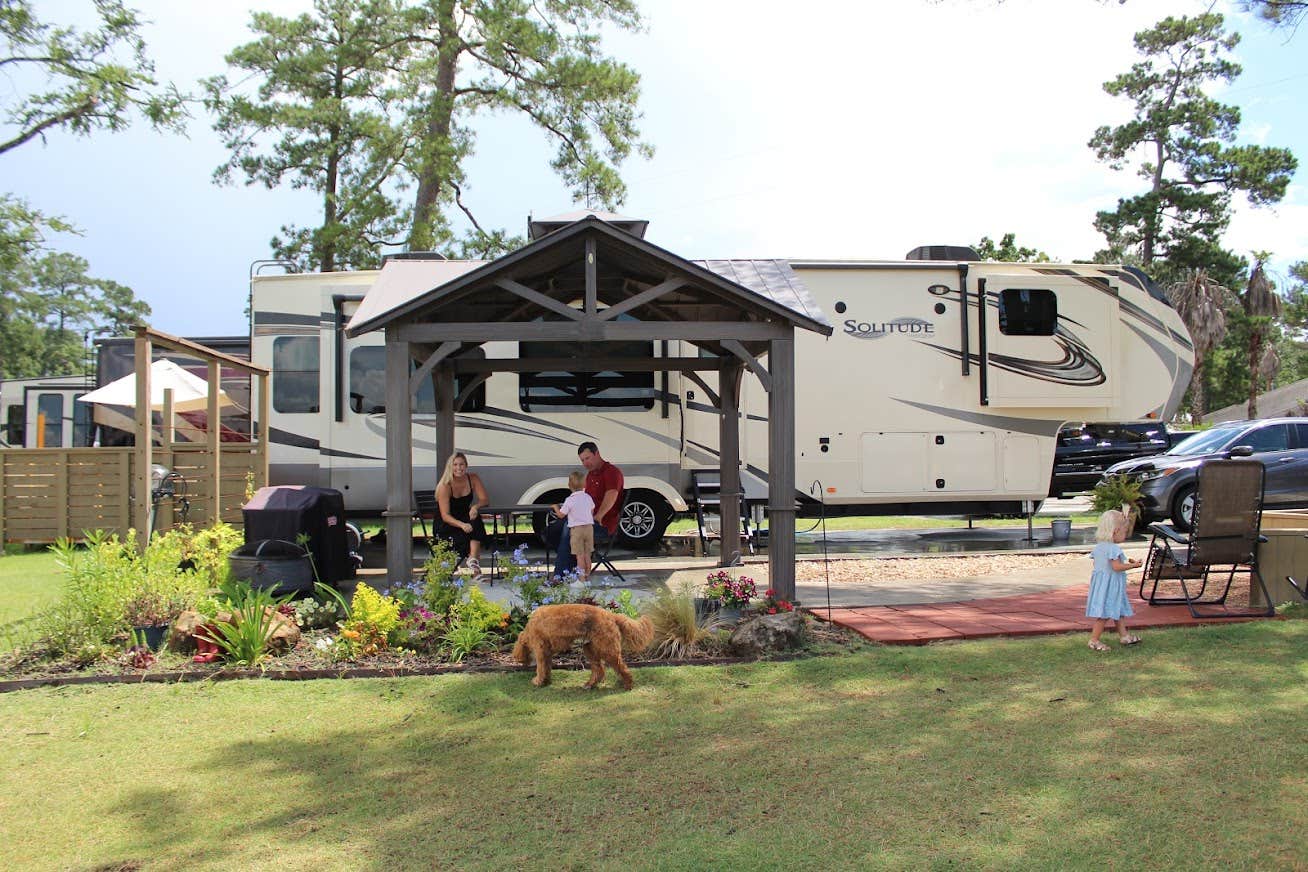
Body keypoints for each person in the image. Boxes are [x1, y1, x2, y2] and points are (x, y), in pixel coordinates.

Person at [547, 441, 624, 576]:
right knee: (551, 531)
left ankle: (559, 575)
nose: (585, 463)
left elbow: (612, 495)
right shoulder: (589, 476)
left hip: (602, 523)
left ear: (597, 454)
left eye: (587, 458)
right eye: (582, 460)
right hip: (585, 521)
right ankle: (572, 564)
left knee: (568, 528)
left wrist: (598, 516)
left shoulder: (612, 472)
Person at [1086, 508, 1143, 652]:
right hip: (1111, 586)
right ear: (1115, 531)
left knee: (1118, 610)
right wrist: (1133, 565)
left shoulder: (1099, 547)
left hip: (1101, 585)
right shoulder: (1113, 549)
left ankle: (1124, 635)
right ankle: (1094, 640)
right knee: (1104, 614)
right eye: (1124, 532)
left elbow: (1099, 566)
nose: (1125, 535)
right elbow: (1116, 567)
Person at [435, 452, 490, 577]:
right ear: (450, 467)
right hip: (448, 524)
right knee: (471, 530)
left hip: (465, 517)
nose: (459, 468)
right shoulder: (445, 485)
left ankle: (472, 560)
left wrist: (476, 507)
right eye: (455, 465)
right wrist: (462, 525)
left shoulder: (473, 478)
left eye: (461, 464)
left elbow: (484, 499)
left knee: (475, 519)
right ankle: (474, 566)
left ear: (466, 465)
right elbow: (445, 516)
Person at [552, 471, 596, 582]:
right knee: (587, 555)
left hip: (576, 530)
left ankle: (581, 580)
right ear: (585, 485)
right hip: (589, 528)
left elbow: (561, 515)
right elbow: (592, 510)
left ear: (569, 485)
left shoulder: (569, 500)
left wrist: (556, 507)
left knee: (579, 556)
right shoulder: (588, 498)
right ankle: (587, 577)